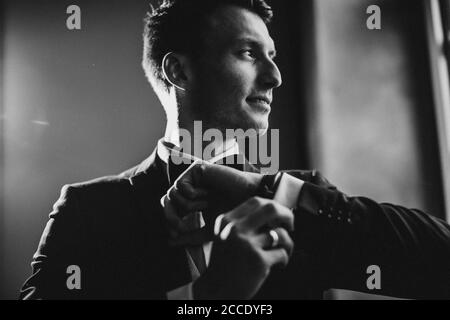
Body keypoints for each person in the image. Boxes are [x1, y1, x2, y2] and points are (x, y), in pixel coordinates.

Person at [19, 0, 450, 300]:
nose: (275, 77)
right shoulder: (86, 210)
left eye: (273, 55)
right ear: (180, 70)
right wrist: (204, 298)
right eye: (248, 53)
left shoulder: (296, 200)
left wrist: (266, 188)